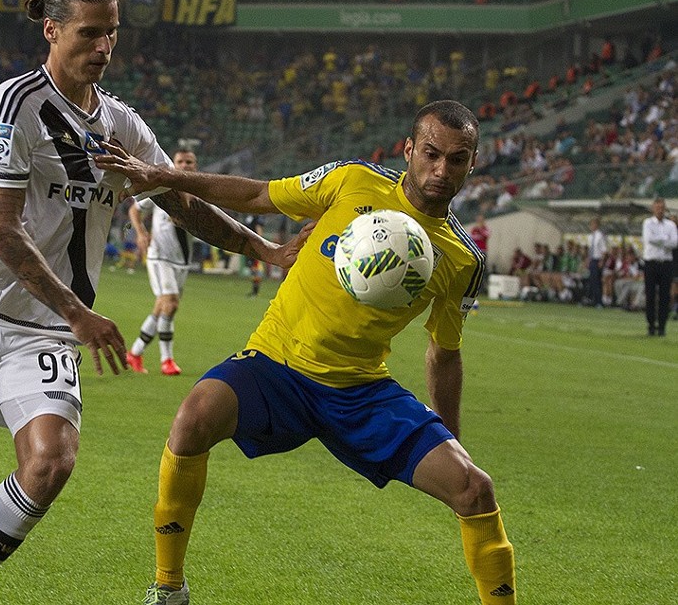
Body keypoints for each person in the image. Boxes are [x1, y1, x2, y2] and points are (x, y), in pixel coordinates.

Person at [0, 0, 307, 605]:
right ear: (51, 30)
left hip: (45, 328)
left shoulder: (123, 126)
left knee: (51, 462)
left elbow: (180, 202)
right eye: (90, 33)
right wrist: (80, 312)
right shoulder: (12, 107)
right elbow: (1, 230)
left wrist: (263, 247)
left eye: (112, 34)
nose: (104, 48)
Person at [97, 100, 516, 605]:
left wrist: (450, 438)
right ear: (409, 149)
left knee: (474, 489)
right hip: (277, 364)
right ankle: (169, 588)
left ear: (473, 163)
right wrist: (162, 176)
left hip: (361, 391)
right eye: (431, 153)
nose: (441, 170)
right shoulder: (352, 180)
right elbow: (256, 194)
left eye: (457, 159)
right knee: (192, 418)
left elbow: (443, 352)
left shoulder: (460, 257)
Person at [126, 148, 198, 376]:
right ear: (173, 164)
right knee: (171, 304)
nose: (185, 165)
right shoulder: (162, 190)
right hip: (160, 256)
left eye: (189, 162)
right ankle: (167, 360)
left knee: (161, 309)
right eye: (180, 161)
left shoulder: (199, 192)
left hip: (182, 260)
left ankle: (135, 353)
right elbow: (134, 210)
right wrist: (140, 233)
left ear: (195, 165)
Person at [641, 197, 677, 335]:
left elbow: (675, 242)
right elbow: (649, 239)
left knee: (665, 296)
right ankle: (651, 325)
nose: (660, 210)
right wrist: (665, 240)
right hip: (651, 262)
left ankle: (662, 326)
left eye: (662, 208)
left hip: (666, 263)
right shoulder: (648, 223)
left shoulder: (670, 225)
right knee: (650, 295)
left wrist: (660, 240)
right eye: (657, 208)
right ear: (653, 209)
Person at [584, 216, 607, 306]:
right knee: (592, 280)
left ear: (597, 225)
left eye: (594, 224)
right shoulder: (590, 236)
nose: (592, 226)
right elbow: (590, 250)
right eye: (591, 224)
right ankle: (592, 299)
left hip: (597, 259)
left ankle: (599, 301)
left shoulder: (600, 236)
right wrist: (587, 260)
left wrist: (602, 261)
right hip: (592, 259)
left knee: (597, 281)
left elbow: (604, 250)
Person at [243, 212, 265, 296]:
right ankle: (254, 290)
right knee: (252, 267)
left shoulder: (257, 216)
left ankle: (255, 291)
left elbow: (259, 229)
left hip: (254, 246)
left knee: (256, 267)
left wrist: (259, 243)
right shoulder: (249, 216)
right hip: (249, 245)